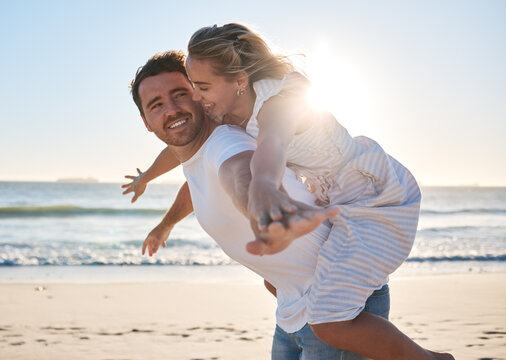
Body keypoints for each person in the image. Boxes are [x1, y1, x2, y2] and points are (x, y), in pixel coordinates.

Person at [124, 25, 454, 360]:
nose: (184, 103)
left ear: (236, 80)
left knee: (331, 323)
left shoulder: (245, 126)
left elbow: (255, 159)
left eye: (188, 91)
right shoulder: (214, 134)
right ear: (147, 122)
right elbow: (190, 176)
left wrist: (264, 194)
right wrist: (153, 195)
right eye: (157, 104)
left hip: (367, 205)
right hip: (296, 304)